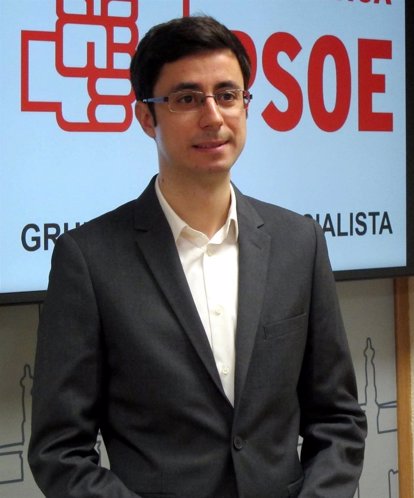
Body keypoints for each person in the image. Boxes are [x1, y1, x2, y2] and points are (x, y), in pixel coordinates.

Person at [28, 15, 366, 498]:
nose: (213, 117)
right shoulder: (89, 259)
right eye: (187, 99)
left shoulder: (300, 242)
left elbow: (337, 419)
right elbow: (60, 450)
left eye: (228, 95)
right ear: (147, 117)